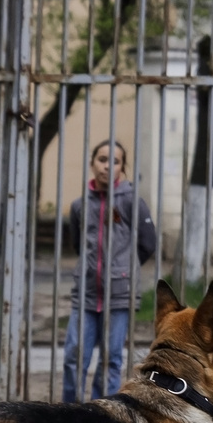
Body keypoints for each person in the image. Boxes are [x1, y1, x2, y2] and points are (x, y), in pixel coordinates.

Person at [63, 139, 157, 400]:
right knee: (74, 356)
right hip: (86, 293)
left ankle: (102, 411)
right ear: (92, 163)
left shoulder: (131, 202)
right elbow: (78, 244)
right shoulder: (80, 206)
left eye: (114, 162)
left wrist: (124, 268)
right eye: (102, 160)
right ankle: (70, 411)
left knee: (111, 359)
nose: (107, 166)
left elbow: (148, 243)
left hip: (119, 295)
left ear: (122, 168)